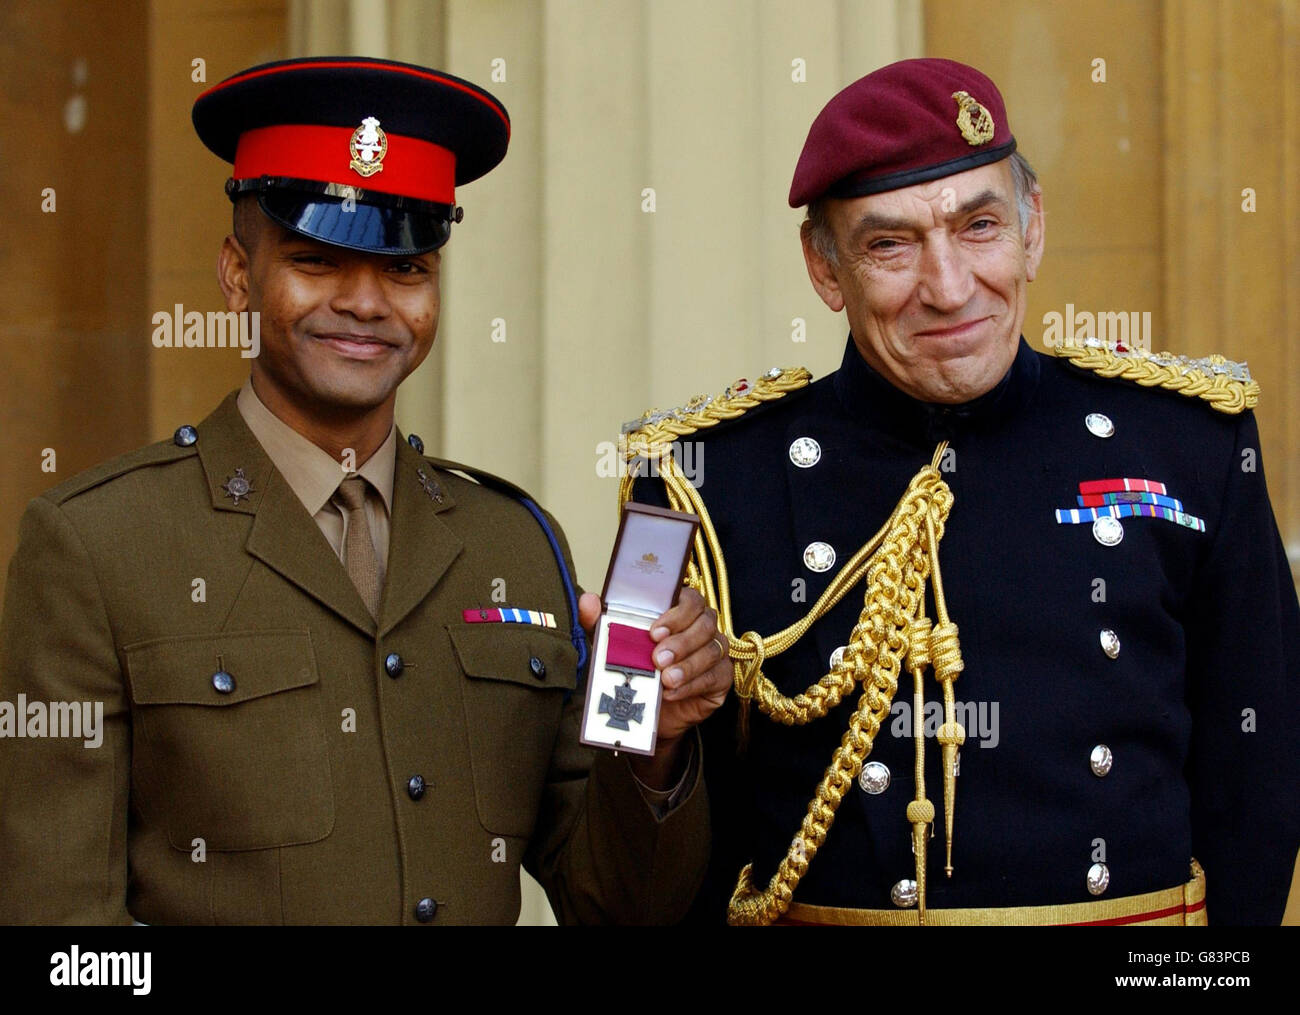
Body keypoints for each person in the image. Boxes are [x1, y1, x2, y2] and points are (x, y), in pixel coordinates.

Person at [0, 56, 730, 925]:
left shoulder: (515, 545)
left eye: (406, 269)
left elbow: (617, 903)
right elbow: (62, 936)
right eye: (316, 260)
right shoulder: (98, 545)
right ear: (238, 274)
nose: (366, 303)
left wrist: (657, 742)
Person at [624, 57, 1300, 925]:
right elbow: (637, 845)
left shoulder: (1190, 444)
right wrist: (652, 740)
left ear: (1033, 228)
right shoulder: (688, 485)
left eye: (980, 225)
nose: (947, 289)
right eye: (890, 244)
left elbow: (1262, 781)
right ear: (825, 270)